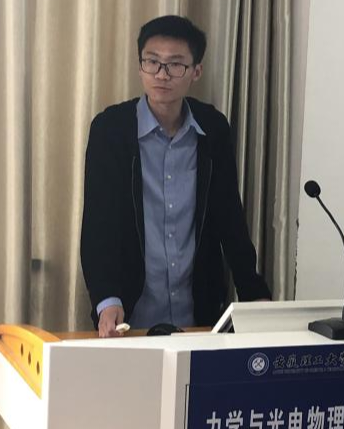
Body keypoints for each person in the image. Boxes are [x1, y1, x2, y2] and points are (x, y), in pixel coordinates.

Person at [81, 15, 271, 337]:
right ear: (140, 66)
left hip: (200, 315)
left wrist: (254, 292)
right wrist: (106, 298)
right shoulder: (110, 130)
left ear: (196, 71)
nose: (162, 74)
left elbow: (230, 218)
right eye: (152, 62)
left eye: (175, 65)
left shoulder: (212, 129)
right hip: (128, 315)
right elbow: (98, 226)